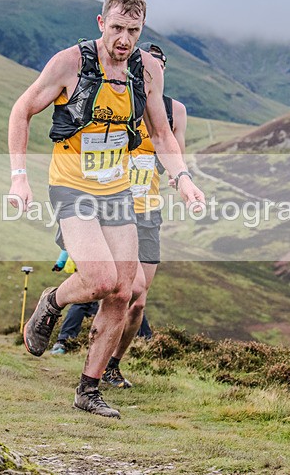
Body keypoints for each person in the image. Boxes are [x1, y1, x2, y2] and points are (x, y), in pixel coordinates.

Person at [9, 0, 204, 418]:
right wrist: (19, 177)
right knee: (98, 278)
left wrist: (182, 178)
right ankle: (53, 302)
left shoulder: (148, 69)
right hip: (71, 184)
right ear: (101, 24)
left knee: (123, 288)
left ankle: (89, 389)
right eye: (117, 28)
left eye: (133, 30)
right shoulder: (70, 63)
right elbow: (22, 110)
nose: (124, 39)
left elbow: (162, 131)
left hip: (117, 190)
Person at [102, 42, 186, 388]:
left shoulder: (174, 109)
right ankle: (94, 359)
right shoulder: (120, 96)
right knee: (118, 289)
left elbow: (175, 148)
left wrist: (179, 175)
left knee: (138, 301)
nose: (152, 70)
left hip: (149, 207)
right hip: (115, 202)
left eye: (158, 65)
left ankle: (112, 365)